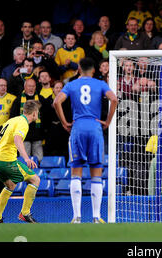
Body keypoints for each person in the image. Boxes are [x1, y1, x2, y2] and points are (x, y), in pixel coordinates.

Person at [53, 57, 118, 224]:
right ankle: (96, 217)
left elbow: (56, 102)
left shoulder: (71, 85)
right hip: (95, 128)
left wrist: (64, 122)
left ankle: (76, 217)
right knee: (96, 172)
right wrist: (108, 122)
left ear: (79, 69)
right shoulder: (100, 84)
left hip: (78, 127)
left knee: (76, 173)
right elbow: (114, 99)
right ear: (94, 70)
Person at [0, 100, 42, 223]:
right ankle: (25, 213)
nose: (37, 114)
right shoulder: (23, 123)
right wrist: (26, 158)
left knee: (10, 185)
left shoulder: (13, 120)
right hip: (6, 161)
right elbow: (17, 139)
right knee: (35, 180)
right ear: (34, 113)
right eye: (37, 112)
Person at [10, 78, 46, 162]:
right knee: (24, 160)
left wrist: (44, 131)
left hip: (38, 135)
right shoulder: (18, 100)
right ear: (25, 87)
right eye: (29, 86)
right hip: (23, 135)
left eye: (33, 86)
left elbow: (46, 116)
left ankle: (38, 174)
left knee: (39, 159)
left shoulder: (41, 99)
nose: (31, 88)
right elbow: (13, 117)